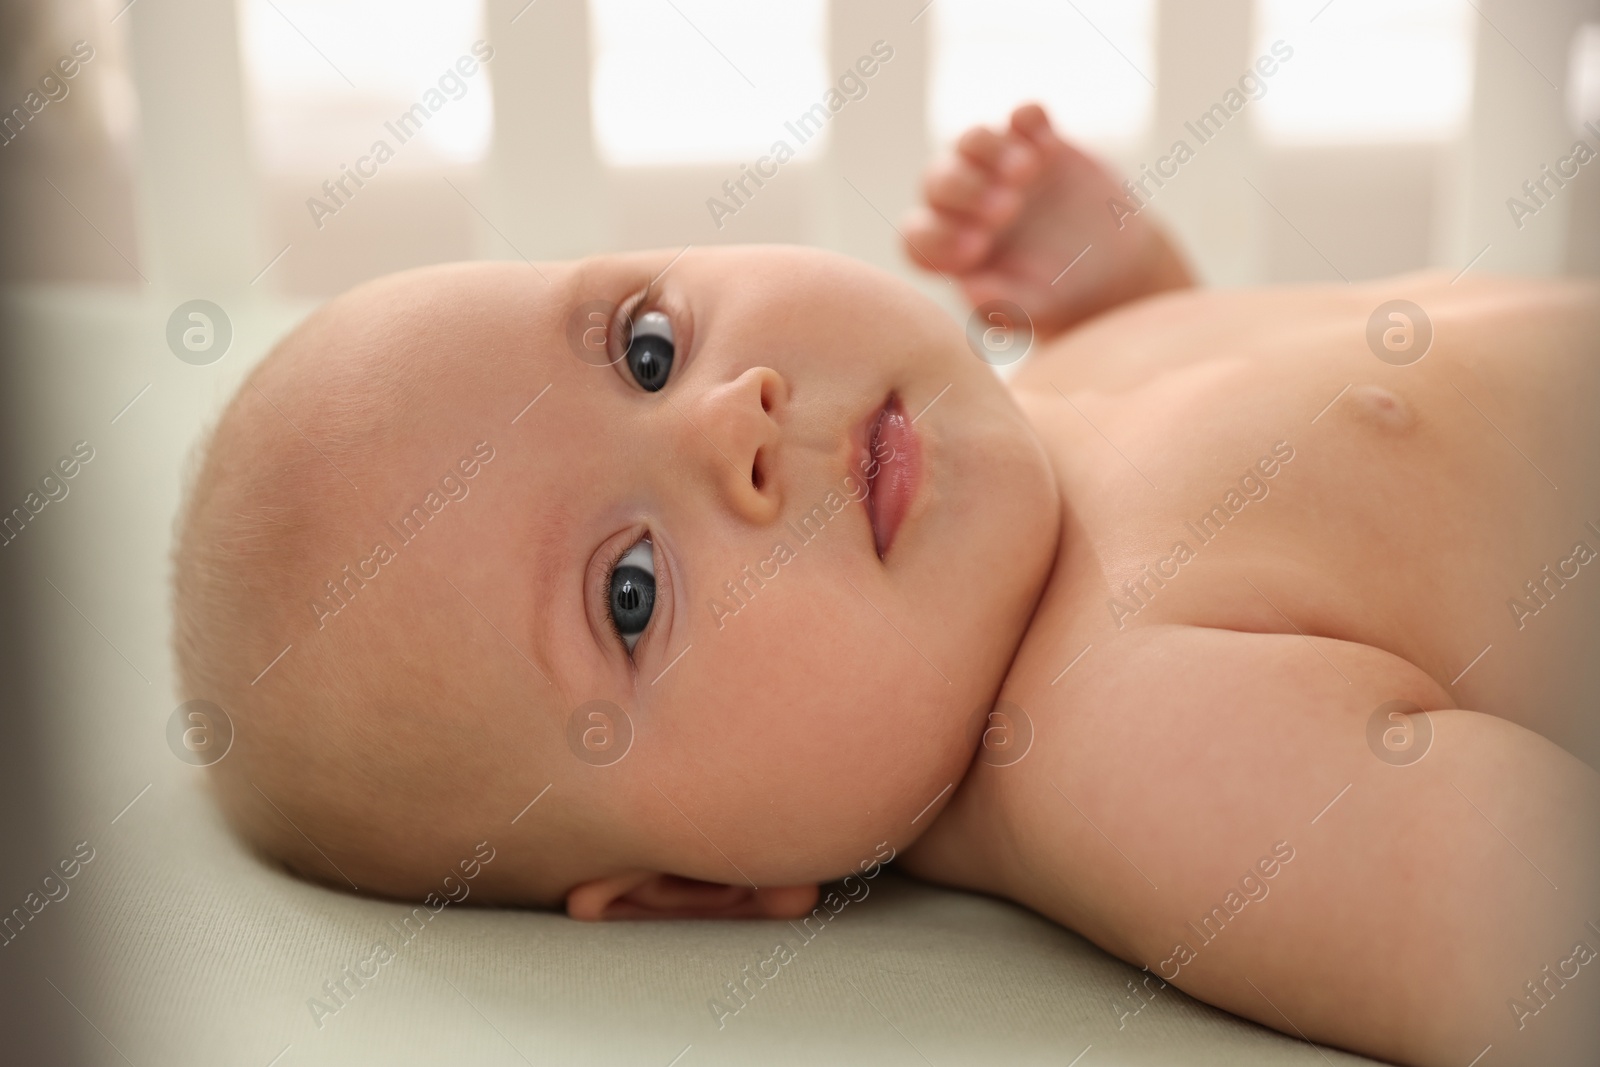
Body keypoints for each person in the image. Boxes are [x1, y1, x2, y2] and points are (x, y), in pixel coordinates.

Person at [173, 104, 1600, 1066]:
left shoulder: (1017, 419)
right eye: (631, 593)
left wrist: (1132, 291)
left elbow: (1312, 484)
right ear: (698, 893)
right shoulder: (1127, 737)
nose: (730, 423)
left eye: (649, 350)